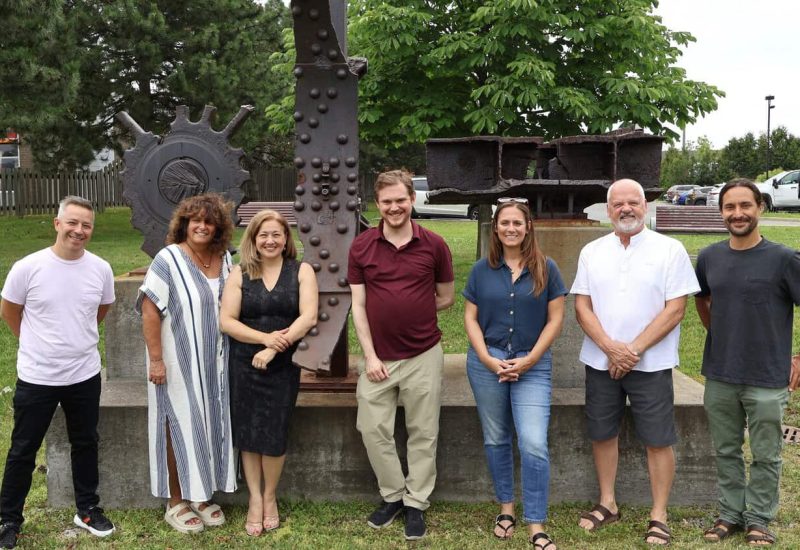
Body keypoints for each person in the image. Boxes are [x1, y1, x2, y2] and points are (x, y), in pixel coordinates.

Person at [571, 179, 699, 546]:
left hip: (652, 363)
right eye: (617, 204)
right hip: (600, 361)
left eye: (633, 202)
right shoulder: (592, 251)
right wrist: (611, 348)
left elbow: (675, 309)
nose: (625, 209)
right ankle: (607, 502)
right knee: (602, 432)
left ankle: (658, 513)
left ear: (645, 206)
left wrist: (633, 350)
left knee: (658, 438)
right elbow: (582, 305)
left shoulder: (669, 249)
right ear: (607, 209)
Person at [0, 196, 116, 549]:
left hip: (84, 374)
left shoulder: (100, 269)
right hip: (38, 377)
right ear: (57, 223)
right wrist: (37, 343)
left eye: (86, 225)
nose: (79, 231)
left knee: (85, 442)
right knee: (23, 448)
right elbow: (10, 311)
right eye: (73, 223)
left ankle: (86, 509)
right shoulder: (28, 267)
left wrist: (74, 339)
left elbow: (102, 307)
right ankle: (8, 519)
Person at [348, 169, 455, 541]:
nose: (394, 207)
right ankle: (393, 495)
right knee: (371, 427)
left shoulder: (434, 245)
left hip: (424, 353)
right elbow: (358, 306)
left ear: (412, 200)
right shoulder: (361, 247)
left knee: (423, 432)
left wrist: (413, 310)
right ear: (377, 204)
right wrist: (371, 356)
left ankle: (416, 503)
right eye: (387, 202)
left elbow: (446, 296)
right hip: (379, 358)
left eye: (400, 200)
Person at [695, 179, 800, 546]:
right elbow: (702, 299)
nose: (737, 213)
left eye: (745, 205)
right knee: (725, 450)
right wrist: (720, 332)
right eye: (729, 207)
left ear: (761, 208)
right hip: (721, 373)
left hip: (768, 376)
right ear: (721, 211)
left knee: (766, 454)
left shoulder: (784, 259)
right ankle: (729, 514)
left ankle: (758, 518)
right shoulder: (709, 257)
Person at [463, 199, 567, 549]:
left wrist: (530, 359)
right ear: (495, 228)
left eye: (517, 223)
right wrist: (487, 359)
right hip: (487, 362)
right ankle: (506, 508)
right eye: (504, 223)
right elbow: (470, 319)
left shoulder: (546, 268)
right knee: (496, 438)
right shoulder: (481, 270)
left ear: (528, 228)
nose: (510, 229)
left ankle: (536, 523)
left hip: (532, 364)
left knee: (534, 443)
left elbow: (555, 319)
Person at [138, 193, 237, 534]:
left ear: (218, 228)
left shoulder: (224, 260)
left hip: (216, 362)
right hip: (176, 359)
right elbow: (150, 309)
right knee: (176, 422)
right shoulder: (168, 259)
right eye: (195, 220)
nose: (202, 226)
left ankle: (200, 494)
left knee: (207, 423)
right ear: (184, 223)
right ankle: (175, 500)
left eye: (209, 221)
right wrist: (156, 360)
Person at [220, 209, 318, 536]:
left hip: (283, 364)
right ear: (253, 239)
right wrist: (263, 339)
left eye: (277, 234)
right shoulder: (240, 273)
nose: (270, 240)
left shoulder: (301, 271)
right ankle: (254, 500)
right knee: (248, 432)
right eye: (264, 234)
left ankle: (270, 496)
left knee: (274, 432)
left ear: (286, 239)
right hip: (244, 363)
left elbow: (308, 318)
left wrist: (274, 347)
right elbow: (227, 321)